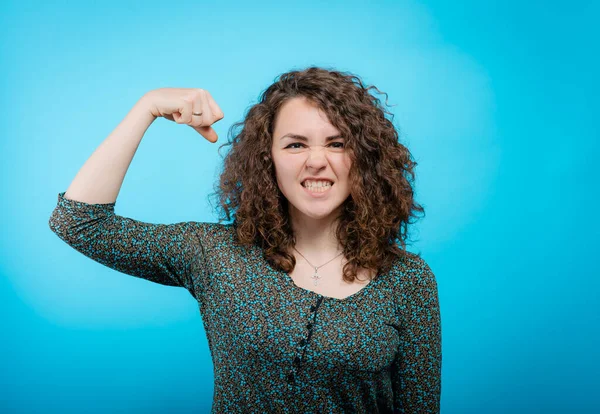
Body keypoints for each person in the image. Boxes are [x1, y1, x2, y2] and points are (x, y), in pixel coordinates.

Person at [48, 66, 442, 413]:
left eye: (337, 143)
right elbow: (79, 222)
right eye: (295, 144)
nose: (316, 160)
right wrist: (147, 107)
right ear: (267, 158)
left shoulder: (409, 281)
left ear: (366, 157)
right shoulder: (216, 254)